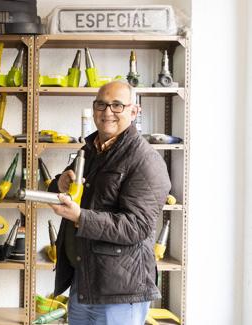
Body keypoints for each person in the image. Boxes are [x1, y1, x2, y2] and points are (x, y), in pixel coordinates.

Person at [48, 80, 171, 325]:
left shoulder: (145, 160)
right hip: (84, 281)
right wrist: (59, 183)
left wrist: (80, 217)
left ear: (134, 111)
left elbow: (137, 226)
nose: (107, 113)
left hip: (121, 291)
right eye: (101, 105)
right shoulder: (91, 151)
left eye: (117, 105)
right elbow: (66, 190)